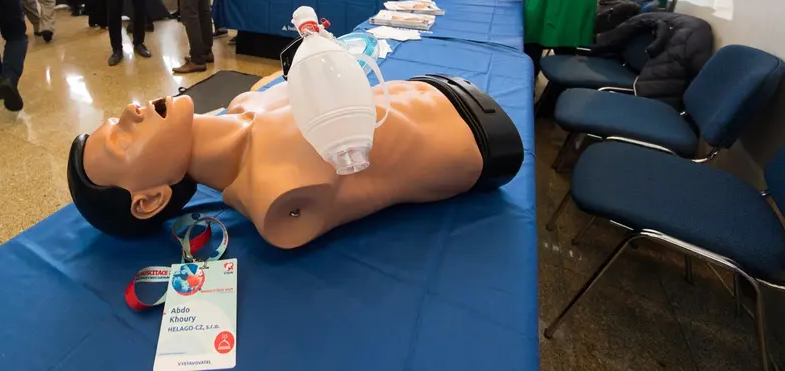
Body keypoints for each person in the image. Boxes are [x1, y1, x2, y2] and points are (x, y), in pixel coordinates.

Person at [69, 75, 522, 249]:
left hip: (435, 86)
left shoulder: (246, 103)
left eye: (116, 121)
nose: (130, 111)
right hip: (479, 140)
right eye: (122, 140)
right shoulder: (276, 196)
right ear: (149, 200)